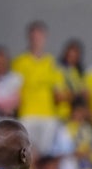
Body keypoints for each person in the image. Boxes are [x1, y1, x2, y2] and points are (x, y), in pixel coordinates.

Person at [11, 21, 65, 155]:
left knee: (45, 154)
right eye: (34, 37)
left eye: (39, 37)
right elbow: (14, 90)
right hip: (27, 114)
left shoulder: (51, 63)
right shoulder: (19, 62)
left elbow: (59, 90)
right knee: (26, 153)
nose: (36, 41)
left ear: (45, 38)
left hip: (48, 115)